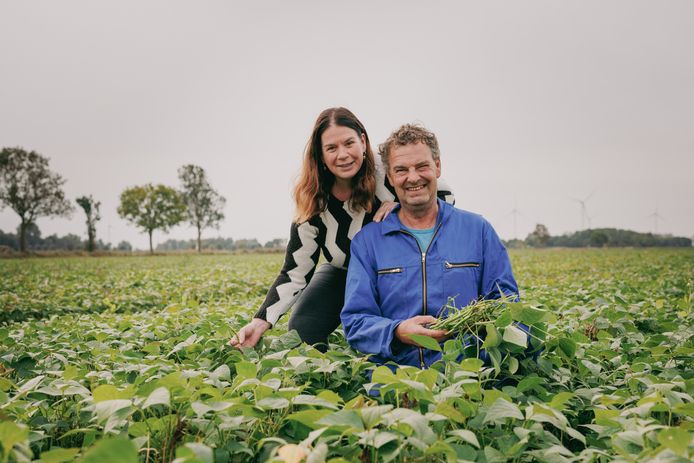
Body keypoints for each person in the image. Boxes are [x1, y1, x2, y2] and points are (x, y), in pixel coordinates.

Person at [229, 108, 455, 350]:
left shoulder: (386, 173)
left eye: (349, 143)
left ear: (363, 141)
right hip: (344, 275)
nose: (343, 155)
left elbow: (444, 192)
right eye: (332, 148)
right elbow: (295, 273)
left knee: (411, 337)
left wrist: (402, 205)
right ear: (321, 154)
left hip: (398, 274)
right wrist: (260, 321)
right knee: (302, 332)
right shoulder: (313, 199)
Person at [341, 123, 518, 368]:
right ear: (390, 178)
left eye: (422, 166)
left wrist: (479, 362)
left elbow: (507, 305)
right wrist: (397, 331)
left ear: (437, 166)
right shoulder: (368, 242)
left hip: (468, 380)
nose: (413, 178)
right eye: (401, 170)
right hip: (395, 385)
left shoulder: (478, 230)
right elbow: (355, 321)